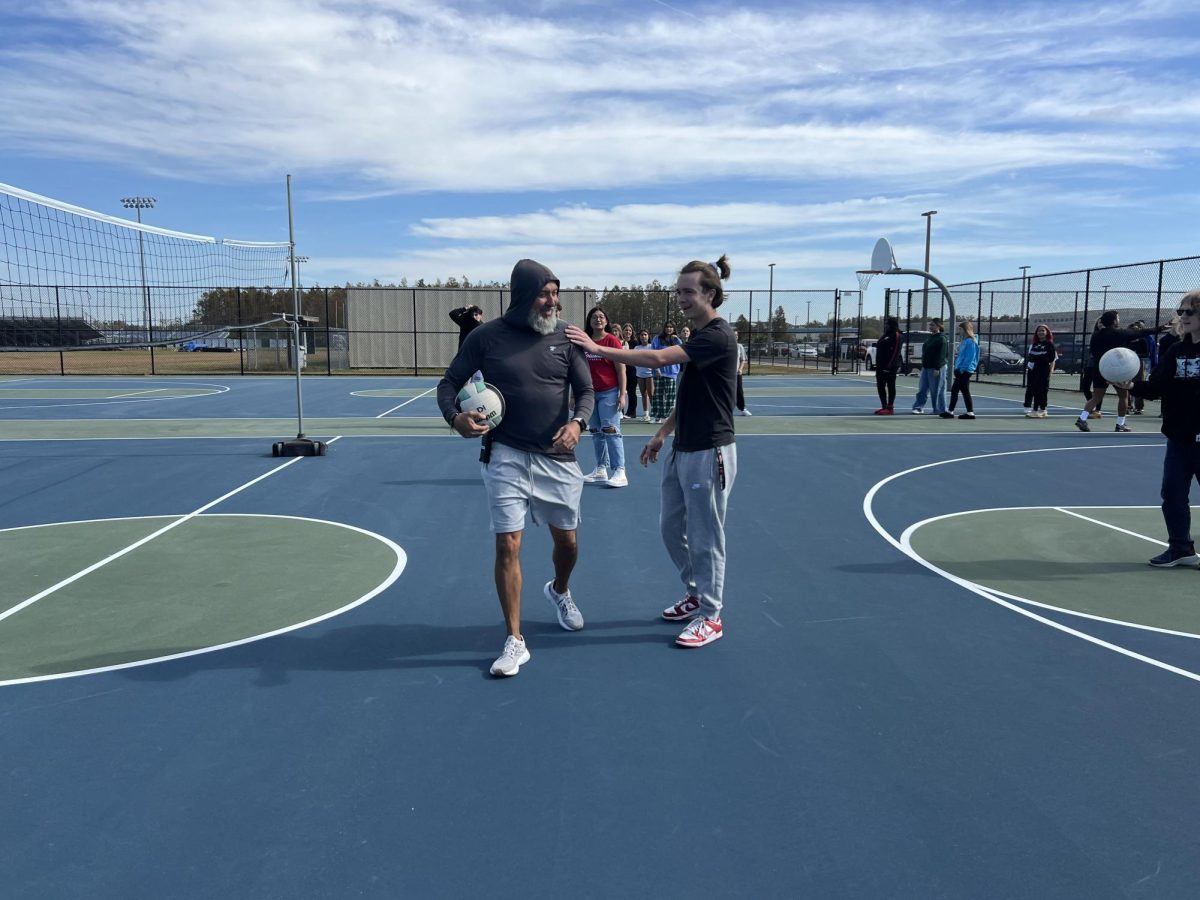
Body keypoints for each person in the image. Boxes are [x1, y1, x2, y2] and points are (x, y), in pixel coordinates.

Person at [566, 255, 738, 649]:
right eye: (678, 291)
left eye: (688, 292)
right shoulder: (698, 339)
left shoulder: (717, 336)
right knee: (669, 528)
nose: (680, 298)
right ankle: (696, 592)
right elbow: (693, 396)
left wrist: (598, 348)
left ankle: (711, 614)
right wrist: (662, 433)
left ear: (710, 294)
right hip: (683, 446)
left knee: (705, 535)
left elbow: (657, 359)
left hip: (709, 451)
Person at [437, 259, 595, 677]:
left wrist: (578, 423)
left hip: (558, 457)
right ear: (524, 295)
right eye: (545, 293)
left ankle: (559, 590)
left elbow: (586, 391)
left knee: (568, 543)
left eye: (556, 293)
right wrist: (455, 418)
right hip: (504, 454)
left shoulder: (567, 337)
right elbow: (448, 384)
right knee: (508, 544)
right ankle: (515, 639)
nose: (553, 302)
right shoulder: (487, 337)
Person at [1124, 290, 1200, 566]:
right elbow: (1158, 386)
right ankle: (1181, 548)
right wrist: (1131, 385)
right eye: (1181, 312)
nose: (1183, 316)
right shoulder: (1176, 350)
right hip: (1179, 437)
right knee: (1172, 495)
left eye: (1189, 311)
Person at [1075, 311, 1163, 433]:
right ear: (1114, 321)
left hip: (1101, 368)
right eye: (1118, 317)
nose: (1119, 319)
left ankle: (1082, 418)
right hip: (1118, 369)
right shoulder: (1120, 333)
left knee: (1096, 397)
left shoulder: (1096, 335)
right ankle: (1120, 424)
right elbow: (1140, 332)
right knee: (1123, 396)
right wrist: (1160, 328)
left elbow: (1094, 352)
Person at [580, 306, 629, 488]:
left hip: (609, 392)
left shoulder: (612, 341)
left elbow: (620, 369)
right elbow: (578, 369)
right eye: (594, 317)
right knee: (596, 432)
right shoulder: (584, 342)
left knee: (611, 430)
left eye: (601, 317)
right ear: (589, 321)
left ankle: (620, 470)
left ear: (606, 321)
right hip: (590, 394)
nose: (598, 320)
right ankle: (601, 469)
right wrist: (574, 395)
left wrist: (622, 395)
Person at [941, 320, 979, 419]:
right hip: (962, 370)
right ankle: (951, 411)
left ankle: (970, 413)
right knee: (956, 390)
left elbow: (969, 357)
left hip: (965, 371)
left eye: (961, 329)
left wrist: (962, 369)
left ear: (966, 330)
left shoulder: (970, 341)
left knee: (964, 391)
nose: (960, 331)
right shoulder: (966, 341)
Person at [911, 319, 948, 415]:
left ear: (939, 326)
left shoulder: (941, 339)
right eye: (930, 325)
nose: (930, 327)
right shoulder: (930, 337)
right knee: (922, 388)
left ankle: (940, 409)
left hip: (936, 368)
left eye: (933, 325)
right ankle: (918, 407)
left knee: (937, 390)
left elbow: (942, 355)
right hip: (926, 367)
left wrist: (937, 368)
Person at [649, 323, 683, 422]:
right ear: (664, 328)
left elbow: (683, 349)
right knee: (658, 395)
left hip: (672, 372)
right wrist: (657, 369)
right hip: (659, 371)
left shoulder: (676, 340)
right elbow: (653, 353)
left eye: (671, 327)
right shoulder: (657, 338)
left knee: (670, 396)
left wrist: (677, 339)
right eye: (667, 327)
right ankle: (656, 416)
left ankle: (666, 416)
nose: (669, 329)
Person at [1024, 325, 1057, 417]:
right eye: (1039, 331)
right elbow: (1031, 356)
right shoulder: (1035, 344)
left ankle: (1041, 409)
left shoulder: (1049, 344)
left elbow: (1051, 358)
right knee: (1034, 390)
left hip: (1043, 370)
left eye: (1043, 331)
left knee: (1041, 390)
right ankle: (1037, 409)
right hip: (1033, 370)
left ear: (1047, 332)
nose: (1040, 333)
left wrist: (1041, 360)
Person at [873, 317, 902, 415]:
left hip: (890, 367)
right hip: (880, 366)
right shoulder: (885, 335)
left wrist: (889, 367)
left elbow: (895, 352)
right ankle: (884, 406)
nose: (886, 325)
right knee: (880, 385)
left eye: (887, 324)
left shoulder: (897, 335)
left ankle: (890, 407)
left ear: (891, 324)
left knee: (890, 385)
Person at [634, 329, 655, 421]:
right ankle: (646, 414)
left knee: (651, 394)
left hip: (650, 374)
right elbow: (633, 360)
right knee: (643, 394)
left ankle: (654, 413)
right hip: (640, 374)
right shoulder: (636, 348)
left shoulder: (652, 347)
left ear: (648, 336)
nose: (643, 336)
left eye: (645, 335)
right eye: (642, 335)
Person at [621, 323, 638, 418]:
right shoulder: (619, 341)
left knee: (632, 392)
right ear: (622, 331)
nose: (628, 332)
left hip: (632, 370)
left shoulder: (635, 343)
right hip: (621, 370)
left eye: (630, 330)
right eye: (626, 330)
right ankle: (620, 412)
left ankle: (631, 412)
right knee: (621, 392)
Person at [735, 339, 752, 416]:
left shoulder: (739, 346)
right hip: (726, 374)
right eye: (734, 334)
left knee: (739, 391)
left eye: (737, 335)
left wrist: (740, 369)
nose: (735, 336)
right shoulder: (723, 345)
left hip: (736, 373)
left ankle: (742, 408)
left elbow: (743, 359)